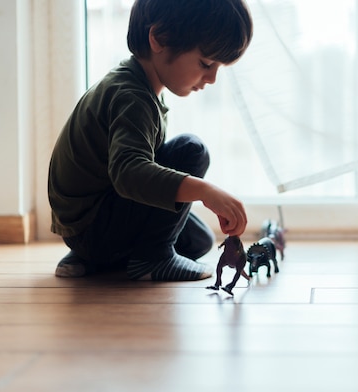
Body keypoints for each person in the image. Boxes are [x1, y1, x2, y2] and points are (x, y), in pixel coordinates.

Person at [48, 0, 253, 281]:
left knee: (199, 241)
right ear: (159, 38)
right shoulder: (131, 97)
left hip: (88, 227)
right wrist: (205, 191)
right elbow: (129, 174)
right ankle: (151, 259)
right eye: (206, 63)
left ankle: (95, 260)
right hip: (94, 226)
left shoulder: (134, 85)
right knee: (191, 151)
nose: (213, 78)